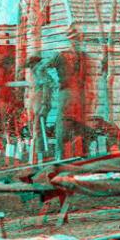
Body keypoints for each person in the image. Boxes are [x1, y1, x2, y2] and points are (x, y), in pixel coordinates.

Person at [44, 27, 94, 159]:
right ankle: (59, 158)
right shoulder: (61, 55)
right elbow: (43, 67)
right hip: (66, 94)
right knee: (63, 126)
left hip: (80, 96)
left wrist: (89, 95)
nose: (76, 42)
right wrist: (52, 81)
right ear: (69, 40)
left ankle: (80, 158)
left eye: (78, 39)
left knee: (80, 127)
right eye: (73, 39)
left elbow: (88, 78)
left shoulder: (83, 57)